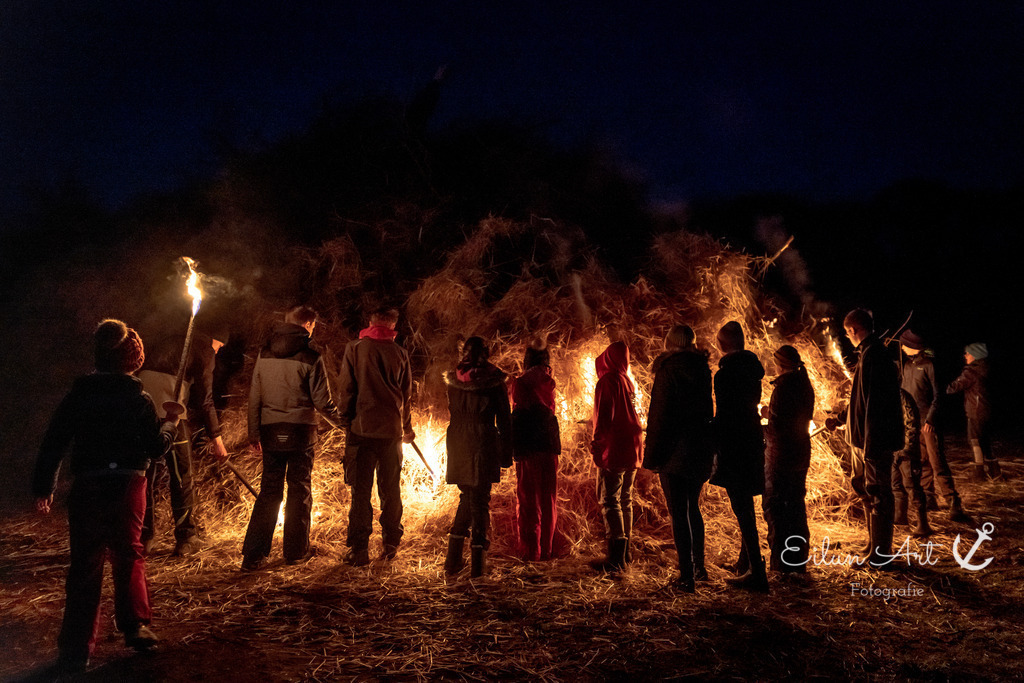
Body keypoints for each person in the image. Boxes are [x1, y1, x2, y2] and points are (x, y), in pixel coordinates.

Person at [32, 319, 178, 674]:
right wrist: (172, 422)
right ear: (132, 359)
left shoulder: (78, 395)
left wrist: (43, 488)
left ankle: (76, 649)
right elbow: (156, 448)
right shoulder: (138, 398)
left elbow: (54, 442)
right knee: (129, 553)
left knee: (86, 561)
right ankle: (136, 627)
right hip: (128, 483)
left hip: (90, 484)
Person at [241, 306, 346, 571]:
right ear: (308, 324)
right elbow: (322, 402)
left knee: (269, 492)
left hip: (270, 431)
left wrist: (254, 432)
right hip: (301, 432)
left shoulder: (264, 354)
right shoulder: (311, 356)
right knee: (299, 490)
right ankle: (295, 552)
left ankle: (254, 555)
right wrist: (344, 424)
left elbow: (255, 397)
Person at [137, 320, 229, 556]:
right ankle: (186, 537)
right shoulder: (206, 349)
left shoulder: (170, 337)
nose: (217, 352)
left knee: (145, 476)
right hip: (171, 410)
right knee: (182, 476)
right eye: (220, 347)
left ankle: (144, 536)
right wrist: (216, 439)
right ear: (217, 341)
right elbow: (206, 399)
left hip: (142, 410)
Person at [337, 306, 415, 566]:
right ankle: (391, 543)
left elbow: (347, 388)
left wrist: (345, 418)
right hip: (391, 432)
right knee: (391, 490)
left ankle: (359, 549)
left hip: (361, 430)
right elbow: (406, 395)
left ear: (370, 321)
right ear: (393, 327)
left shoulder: (355, 349)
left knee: (361, 492)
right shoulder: (401, 353)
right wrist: (406, 427)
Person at [643, 325, 714, 592]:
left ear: (669, 344)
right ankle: (699, 567)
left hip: (673, 450)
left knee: (678, 512)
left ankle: (686, 576)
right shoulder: (703, 369)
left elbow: (660, 415)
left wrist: (653, 455)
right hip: (698, 446)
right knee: (693, 508)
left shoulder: (668, 370)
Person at [443, 337, 513, 577]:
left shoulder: (454, 379)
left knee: (468, 495)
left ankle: (453, 560)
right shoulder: (494, 380)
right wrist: (506, 452)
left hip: (459, 440)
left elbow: (453, 410)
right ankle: (478, 565)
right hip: (483, 439)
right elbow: (504, 418)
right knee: (480, 498)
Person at [841, 309, 903, 569]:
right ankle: (873, 544)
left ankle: (881, 554)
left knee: (879, 492)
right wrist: (844, 418)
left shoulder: (875, 356)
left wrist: (871, 444)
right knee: (865, 488)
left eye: (847, 333)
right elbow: (861, 399)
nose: (847, 337)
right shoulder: (867, 354)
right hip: (862, 439)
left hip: (873, 441)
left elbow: (877, 406)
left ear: (854, 330)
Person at [710, 321, 769, 592]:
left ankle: (756, 571)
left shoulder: (725, 375)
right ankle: (745, 563)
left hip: (734, 442)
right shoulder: (752, 371)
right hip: (752, 438)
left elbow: (724, 412)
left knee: (741, 505)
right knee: (746, 503)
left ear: (723, 344)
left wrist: (712, 437)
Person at [898, 330, 972, 522]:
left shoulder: (930, 365)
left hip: (928, 423)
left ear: (913, 346)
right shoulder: (907, 365)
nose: (902, 347)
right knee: (922, 462)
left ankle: (953, 502)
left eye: (904, 344)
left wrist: (930, 419)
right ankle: (929, 498)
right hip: (913, 424)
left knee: (937, 461)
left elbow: (938, 395)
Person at [590, 340, 643, 572]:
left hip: (615, 447)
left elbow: (604, 416)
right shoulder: (628, 382)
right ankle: (626, 552)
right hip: (633, 447)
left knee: (610, 500)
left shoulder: (607, 381)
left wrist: (597, 444)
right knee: (625, 499)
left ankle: (615, 558)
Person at [762, 345, 815, 574]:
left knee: (776, 507)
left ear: (779, 364)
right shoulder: (804, 383)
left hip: (781, 456)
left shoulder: (783, 388)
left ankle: (781, 564)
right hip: (801, 452)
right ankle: (798, 560)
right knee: (796, 506)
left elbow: (778, 428)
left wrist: (760, 428)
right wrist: (769, 413)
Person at [509, 339, 561, 562]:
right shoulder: (550, 381)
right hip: (549, 445)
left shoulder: (521, 383)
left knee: (529, 499)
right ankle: (547, 550)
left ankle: (531, 552)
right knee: (548, 498)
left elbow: (519, 413)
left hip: (529, 445)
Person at [947, 342, 1001, 481]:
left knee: (975, 440)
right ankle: (995, 472)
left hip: (975, 411)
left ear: (975, 355)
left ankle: (979, 473)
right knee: (985, 440)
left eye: (968, 353)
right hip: (986, 410)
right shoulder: (987, 368)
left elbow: (954, 387)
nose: (965, 356)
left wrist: (941, 386)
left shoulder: (971, 371)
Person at [892, 389, 934, 537]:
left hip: (906, 451)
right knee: (896, 485)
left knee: (912, 486)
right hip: (894, 448)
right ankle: (900, 518)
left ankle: (923, 524)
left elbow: (911, 423)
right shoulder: (887, 394)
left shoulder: (902, 396)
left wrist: (907, 448)